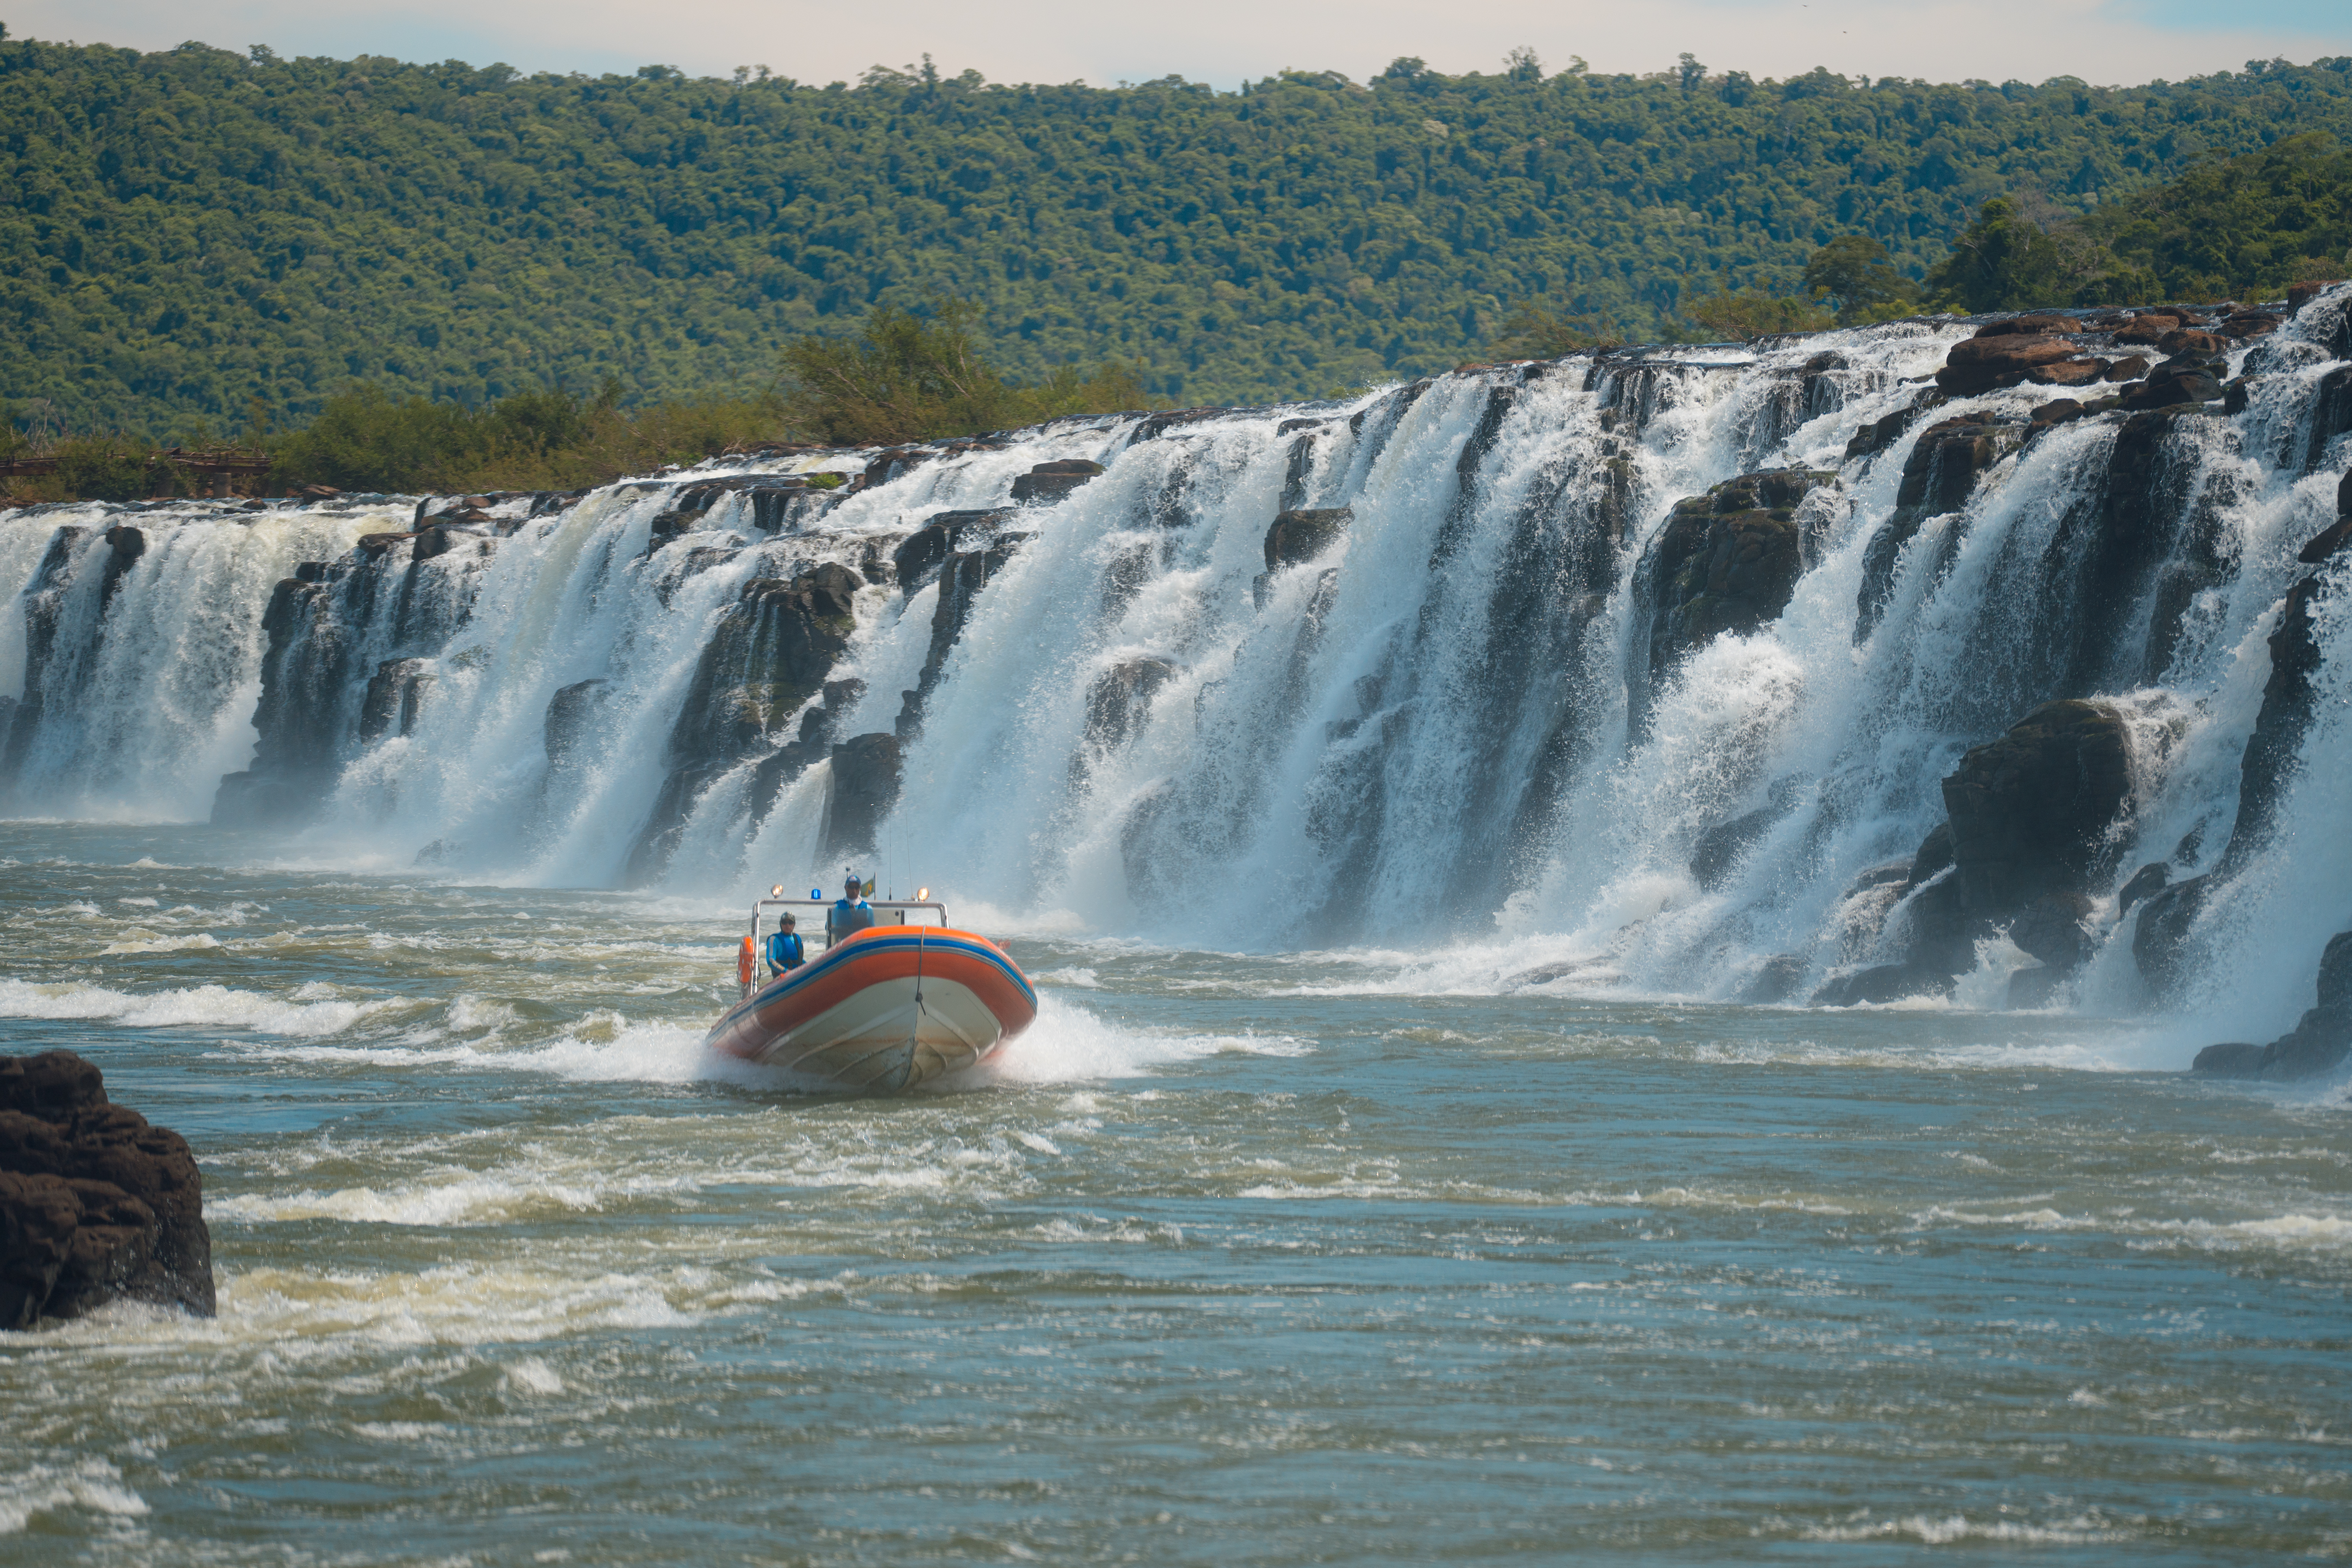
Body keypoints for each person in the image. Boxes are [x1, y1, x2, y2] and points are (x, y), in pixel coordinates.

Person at [828, 874, 874, 945]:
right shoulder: (837, 908)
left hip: (862, 944)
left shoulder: (868, 908)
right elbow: (828, 927)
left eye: (857, 887)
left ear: (860, 888)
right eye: (851, 887)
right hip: (843, 945)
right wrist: (840, 929)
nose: (854, 890)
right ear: (846, 888)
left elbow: (873, 929)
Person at [765, 913, 804, 977]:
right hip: (782, 979)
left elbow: (800, 960)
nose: (787, 925)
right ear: (781, 924)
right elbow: (771, 961)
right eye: (784, 922)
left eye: (790, 923)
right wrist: (787, 971)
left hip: (797, 976)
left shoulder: (797, 938)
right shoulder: (774, 940)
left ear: (794, 924)